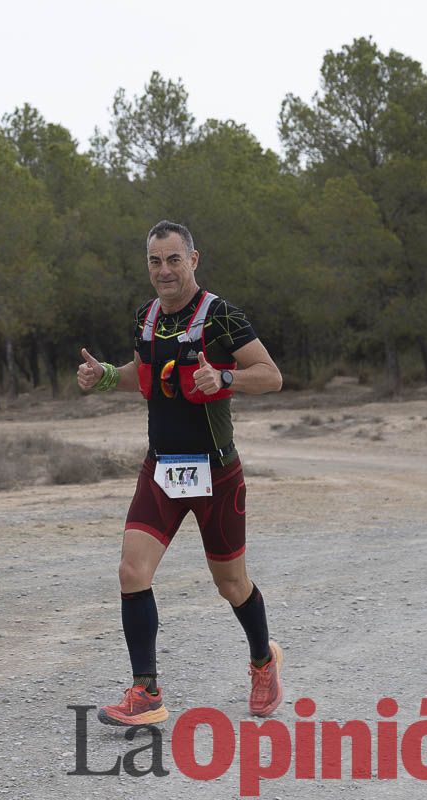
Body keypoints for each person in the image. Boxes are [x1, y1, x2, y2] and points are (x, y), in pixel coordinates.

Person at [77, 220, 284, 726]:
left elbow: (272, 376)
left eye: (173, 259)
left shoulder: (222, 317)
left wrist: (226, 376)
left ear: (194, 260)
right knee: (132, 572)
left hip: (216, 472)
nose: (164, 270)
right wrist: (104, 376)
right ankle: (146, 692)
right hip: (162, 469)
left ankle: (263, 660)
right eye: (155, 261)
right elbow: (142, 378)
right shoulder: (146, 318)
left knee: (231, 584)